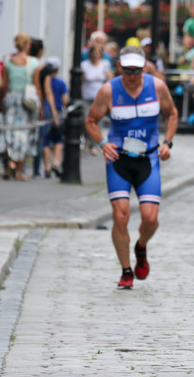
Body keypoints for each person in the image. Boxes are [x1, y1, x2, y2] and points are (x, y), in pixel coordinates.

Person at [85, 46, 178, 290]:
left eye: (137, 70)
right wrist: (103, 143)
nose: (133, 75)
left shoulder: (157, 87)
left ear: (145, 67)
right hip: (119, 160)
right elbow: (91, 120)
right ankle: (126, 270)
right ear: (120, 67)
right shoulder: (109, 90)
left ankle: (141, 247)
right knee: (120, 215)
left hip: (148, 159)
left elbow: (172, 113)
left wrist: (167, 142)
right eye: (128, 70)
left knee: (150, 218)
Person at [0, 33, 38, 180]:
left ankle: (10, 164)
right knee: (24, 134)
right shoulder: (34, 63)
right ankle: (20, 171)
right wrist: (39, 105)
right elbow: (36, 86)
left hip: (10, 99)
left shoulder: (8, 61)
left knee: (9, 133)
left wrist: (1, 100)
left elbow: (4, 85)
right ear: (27, 45)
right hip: (26, 102)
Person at [38, 56, 68, 179]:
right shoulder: (61, 83)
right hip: (57, 112)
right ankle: (56, 162)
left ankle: (47, 167)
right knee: (58, 139)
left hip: (44, 111)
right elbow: (65, 100)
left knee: (45, 139)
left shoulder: (41, 79)